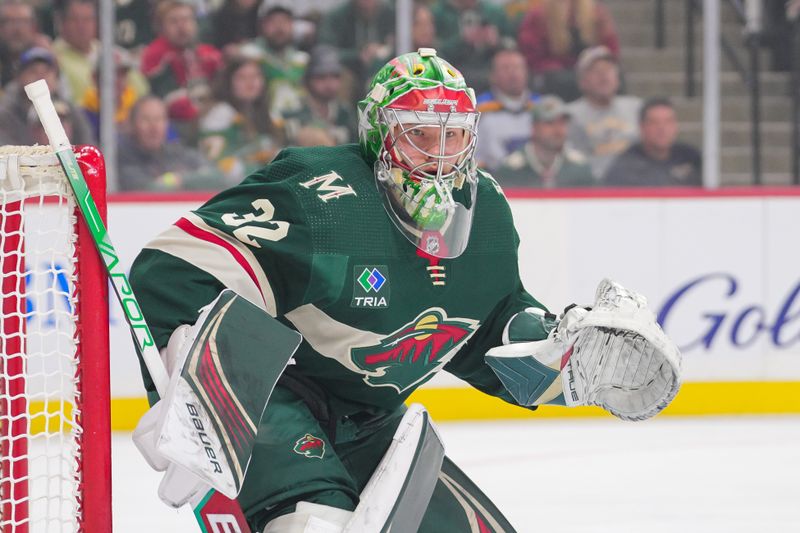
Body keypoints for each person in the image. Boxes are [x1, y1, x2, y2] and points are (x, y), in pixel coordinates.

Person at [128, 48, 681, 532]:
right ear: (380, 134)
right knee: (316, 525)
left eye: (454, 135)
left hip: (372, 418)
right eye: (420, 135)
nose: (441, 156)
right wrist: (200, 390)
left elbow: (488, 330)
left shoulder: (486, 213)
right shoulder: (320, 197)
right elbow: (171, 270)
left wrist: (564, 358)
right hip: (278, 396)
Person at [140, 0, 223, 140]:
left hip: (208, 117)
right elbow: (174, 104)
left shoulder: (207, 53)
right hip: (174, 126)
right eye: (174, 21)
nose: (182, 26)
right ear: (161, 27)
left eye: (186, 19)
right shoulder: (156, 55)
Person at [199, 54, 283, 184]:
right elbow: (216, 163)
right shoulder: (220, 114)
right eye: (242, 77)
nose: (250, 83)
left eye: (256, 76)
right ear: (229, 82)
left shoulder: (267, 113)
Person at [517, 0, 619, 100]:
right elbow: (532, 54)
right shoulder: (538, 15)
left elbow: (610, 47)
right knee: (562, 80)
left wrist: (598, 66)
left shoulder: (596, 12)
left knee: (608, 76)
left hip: (589, 67)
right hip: (557, 71)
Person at [567, 45, 641, 180]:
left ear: (618, 78)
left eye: (609, 69)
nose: (604, 75)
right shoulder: (569, 115)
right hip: (591, 187)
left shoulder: (637, 108)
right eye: (596, 71)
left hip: (635, 186)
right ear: (582, 81)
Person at [118, 95, 215, 191]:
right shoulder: (123, 158)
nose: (154, 127)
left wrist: (177, 180)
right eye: (146, 119)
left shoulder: (177, 152)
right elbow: (146, 189)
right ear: (132, 124)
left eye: (159, 119)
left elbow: (215, 176)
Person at [0, 46, 92, 146]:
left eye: (47, 71)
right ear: (19, 77)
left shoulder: (71, 112)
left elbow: (88, 146)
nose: (41, 77)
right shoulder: (6, 114)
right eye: (33, 71)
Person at [497, 94, 593, 188]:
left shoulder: (579, 168)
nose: (558, 130)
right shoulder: (511, 170)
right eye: (550, 123)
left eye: (562, 123)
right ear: (534, 128)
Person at [604, 97, 702, 187]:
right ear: (642, 127)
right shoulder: (625, 166)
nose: (662, 128)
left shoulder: (691, 157)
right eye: (654, 122)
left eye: (668, 121)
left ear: (676, 126)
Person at [475, 47, 538, 171]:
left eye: (517, 67)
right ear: (492, 76)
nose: (512, 73)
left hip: (535, 181)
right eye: (505, 68)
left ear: (527, 73)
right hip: (493, 179)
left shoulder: (540, 107)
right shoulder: (477, 110)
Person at [280, 45, 357, 145]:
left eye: (335, 76)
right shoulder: (293, 111)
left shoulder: (345, 113)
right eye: (321, 77)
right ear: (308, 79)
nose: (329, 83)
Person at [0, 0, 52, 87]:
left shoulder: (42, 55)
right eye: (10, 22)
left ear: (34, 27)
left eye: (24, 22)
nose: (18, 30)